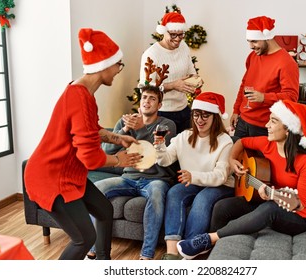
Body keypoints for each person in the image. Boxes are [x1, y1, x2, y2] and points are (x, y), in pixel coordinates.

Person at [24, 28, 141, 260]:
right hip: (50, 178)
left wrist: (118, 138)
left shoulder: (84, 92)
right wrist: (120, 160)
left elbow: (90, 129)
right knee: (83, 238)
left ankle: (103, 263)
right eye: (118, 64)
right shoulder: (79, 97)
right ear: (104, 65)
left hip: (69, 174)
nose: (119, 70)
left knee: (104, 210)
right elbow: (90, 158)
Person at [177, 100, 306, 260]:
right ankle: (213, 254)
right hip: (265, 199)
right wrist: (232, 160)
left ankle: (209, 239)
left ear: (288, 129)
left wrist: (272, 195)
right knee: (222, 207)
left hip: (295, 216)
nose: (267, 125)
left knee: (269, 209)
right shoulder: (267, 144)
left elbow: (301, 203)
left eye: (273, 121)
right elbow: (240, 142)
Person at [87, 80, 177, 260]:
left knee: (157, 195)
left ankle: (147, 253)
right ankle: (94, 246)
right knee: (95, 191)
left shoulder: (167, 125)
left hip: (155, 180)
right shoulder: (125, 120)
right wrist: (125, 130)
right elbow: (107, 151)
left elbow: (158, 155)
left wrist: (142, 129)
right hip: (128, 177)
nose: (147, 101)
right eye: (144, 97)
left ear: (159, 105)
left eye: (152, 99)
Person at [155, 92, 235, 260]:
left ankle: (189, 249)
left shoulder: (225, 141)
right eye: (196, 114)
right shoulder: (185, 136)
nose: (200, 119)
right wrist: (160, 146)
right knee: (174, 192)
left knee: (202, 199)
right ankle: (172, 252)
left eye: (205, 115)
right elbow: (165, 160)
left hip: (221, 185)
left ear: (215, 117)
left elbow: (220, 175)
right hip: (193, 181)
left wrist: (193, 176)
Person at [230, 16, 299, 140]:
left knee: (259, 160)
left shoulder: (287, 63)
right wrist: (236, 110)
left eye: (255, 41)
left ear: (267, 38)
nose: (251, 46)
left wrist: (264, 97)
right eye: (249, 41)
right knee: (236, 157)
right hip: (243, 121)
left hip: (264, 126)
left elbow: (292, 97)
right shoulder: (253, 56)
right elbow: (244, 84)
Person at [140, 11, 200, 134]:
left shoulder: (183, 47)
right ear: (163, 32)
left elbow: (191, 70)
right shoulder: (151, 54)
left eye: (181, 35)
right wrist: (172, 85)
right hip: (162, 113)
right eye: (173, 35)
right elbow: (145, 88)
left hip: (183, 109)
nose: (177, 39)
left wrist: (195, 81)